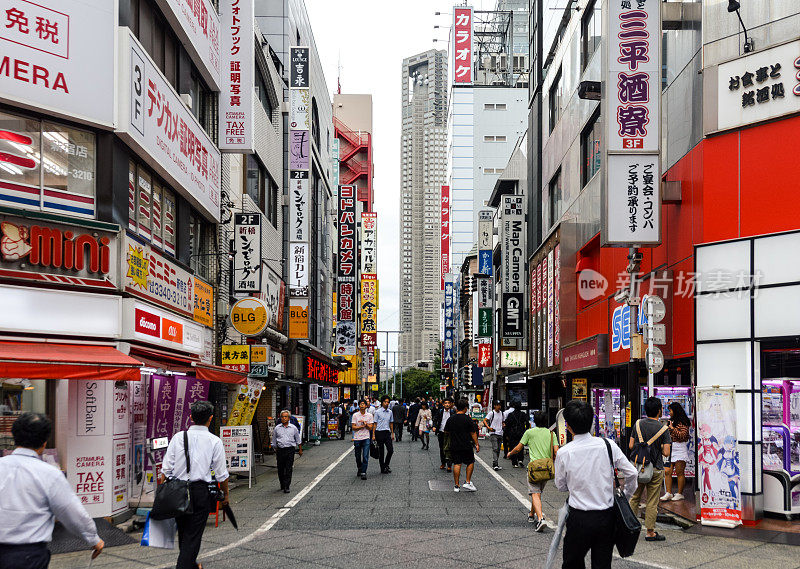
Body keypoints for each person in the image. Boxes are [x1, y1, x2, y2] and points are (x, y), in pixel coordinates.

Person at [0, 412, 104, 568]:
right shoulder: (50, 474)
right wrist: (93, 539)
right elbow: (72, 512)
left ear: (15, 437)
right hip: (28, 556)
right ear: (44, 442)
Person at [555, 400, 637, 569]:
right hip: (606, 517)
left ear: (568, 426)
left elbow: (561, 486)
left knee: (572, 562)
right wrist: (625, 495)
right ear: (592, 421)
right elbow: (632, 473)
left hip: (578, 517)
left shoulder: (564, 453)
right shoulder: (608, 445)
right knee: (602, 564)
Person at [160, 400, 230, 569]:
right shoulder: (214, 441)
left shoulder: (178, 437)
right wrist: (226, 495)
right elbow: (221, 474)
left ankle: (191, 564)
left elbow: (166, 469)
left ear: (191, 417)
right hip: (200, 492)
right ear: (211, 418)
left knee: (184, 533)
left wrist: (162, 493)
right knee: (193, 535)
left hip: (177, 490)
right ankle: (184, 565)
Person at [507, 411, 559, 531]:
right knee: (537, 492)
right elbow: (556, 451)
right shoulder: (551, 433)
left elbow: (519, 447)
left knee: (535, 493)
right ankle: (531, 514)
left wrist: (510, 453)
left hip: (534, 469)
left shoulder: (529, 432)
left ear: (534, 421)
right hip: (547, 469)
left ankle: (540, 519)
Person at [629, 396, 671, 542]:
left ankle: (631, 528)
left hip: (638, 467)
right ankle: (650, 532)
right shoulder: (663, 429)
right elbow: (666, 452)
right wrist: (656, 446)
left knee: (635, 498)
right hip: (656, 468)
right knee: (652, 501)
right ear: (659, 411)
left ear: (645, 409)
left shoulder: (638, 424)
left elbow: (630, 446)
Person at [444, 399, 479, 492]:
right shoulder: (468, 419)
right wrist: (477, 444)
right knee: (470, 461)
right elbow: (473, 433)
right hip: (466, 444)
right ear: (465, 408)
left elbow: (446, 431)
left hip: (454, 444)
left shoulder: (451, 418)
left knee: (457, 463)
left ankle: (456, 485)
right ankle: (467, 482)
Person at [661, 401, 691, 502]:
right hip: (670, 447)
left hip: (680, 448)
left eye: (670, 410)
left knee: (679, 472)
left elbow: (683, 436)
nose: (669, 412)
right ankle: (668, 493)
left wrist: (673, 429)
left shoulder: (683, 422)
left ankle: (679, 493)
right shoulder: (671, 421)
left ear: (675, 411)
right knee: (668, 471)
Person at [273, 410, 302, 493]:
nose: (284, 418)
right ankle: (282, 483)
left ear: (289, 418)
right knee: (280, 468)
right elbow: (274, 440)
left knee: (288, 468)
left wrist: (300, 449)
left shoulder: (293, 428)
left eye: (285, 417)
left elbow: (298, 439)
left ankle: (287, 486)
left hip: (290, 450)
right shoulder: (277, 428)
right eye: (282, 417)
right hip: (280, 450)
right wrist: (275, 448)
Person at [351, 399, 374, 480]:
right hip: (357, 438)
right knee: (357, 456)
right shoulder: (355, 415)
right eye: (361, 404)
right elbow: (353, 427)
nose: (362, 405)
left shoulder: (370, 415)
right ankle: (359, 468)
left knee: (365, 456)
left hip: (366, 438)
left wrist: (365, 424)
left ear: (366, 405)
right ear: (359, 405)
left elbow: (371, 427)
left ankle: (363, 472)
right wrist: (360, 426)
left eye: (364, 404)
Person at [483, 401, 508, 471]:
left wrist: (503, 425)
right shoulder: (492, 413)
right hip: (493, 433)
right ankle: (495, 464)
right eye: (497, 405)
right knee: (495, 448)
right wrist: (489, 427)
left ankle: (496, 463)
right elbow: (485, 420)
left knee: (498, 449)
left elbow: (503, 421)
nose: (499, 407)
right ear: (494, 406)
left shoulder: (502, 413)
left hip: (500, 433)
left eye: (499, 405)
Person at [373, 395, 395, 474]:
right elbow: (375, 424)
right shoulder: (377, 412)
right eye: (385, 402)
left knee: (390, 450)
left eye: (388, 402)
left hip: (387, 432)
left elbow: (391, 423)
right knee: (381, 452)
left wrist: (392, 433)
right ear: (382, 402)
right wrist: (373, 435)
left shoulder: (390, 412)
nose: (387, 403)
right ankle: (382, 468)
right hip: (379, 432)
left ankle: (386, 464)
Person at [504, 402, 529, 468]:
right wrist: (525, 430)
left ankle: (514, 462)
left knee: (513, 446)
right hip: (521, 432)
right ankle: (520, 459)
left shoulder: (511, 415)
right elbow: (527, 423)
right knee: (521, 445)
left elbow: (507, 425)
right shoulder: (523, 414)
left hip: (512, 433)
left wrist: (507, 433)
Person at [433, 397, 454, 471]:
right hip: (441, 431)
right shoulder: (440, 411)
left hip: (450, 432)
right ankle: (443, 463)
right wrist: (434, 426)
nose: (447, 405)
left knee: (449, 448)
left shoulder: (453, 412)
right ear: (443, 404)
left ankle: (449, 465)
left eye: (448, 403)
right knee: (442, 448)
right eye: (446, 403)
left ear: (451, 404)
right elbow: (435, 419)